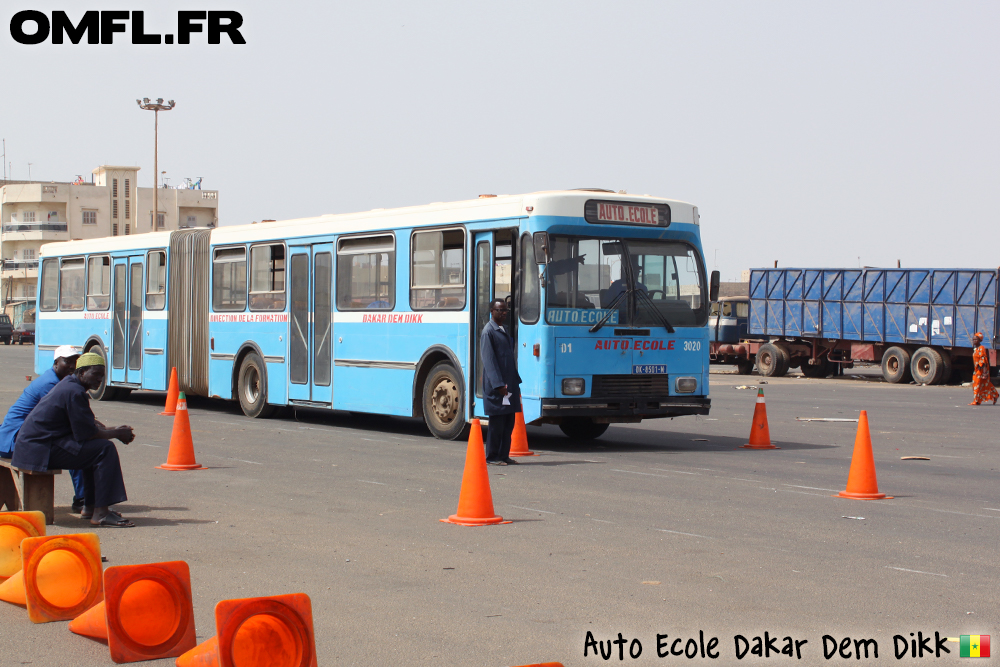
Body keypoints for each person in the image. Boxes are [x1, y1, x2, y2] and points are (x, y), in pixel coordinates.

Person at [13, 352, 136, 527]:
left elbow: (87, 423)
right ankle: (100, 513)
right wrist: (117, 434)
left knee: (94, 449)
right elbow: (87, 433)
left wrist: (114, 430)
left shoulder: (70, 385)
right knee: (104, 449)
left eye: (102, 375)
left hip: (38, 446)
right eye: (95, 374)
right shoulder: (73, 391)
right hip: (38, 450)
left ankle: (90, 507)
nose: (99, 379)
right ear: (81, 372)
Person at [0, 345, 87, 511]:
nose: (71, 366)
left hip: (18, 436)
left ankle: (83, 496)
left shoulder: (58, 381)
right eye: (67, 361)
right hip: (14, 439)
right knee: (75, 449)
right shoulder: (51, 385)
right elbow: (67, 419)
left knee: (75, 445)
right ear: (56, 363)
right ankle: (82, 498)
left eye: (75, 361)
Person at [480, 298, 522, 465]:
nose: (503, 313)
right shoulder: (488, 332)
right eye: (500, 310)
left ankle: (504, 455)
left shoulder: (503, 330)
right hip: (498, 388)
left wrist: (514, 382)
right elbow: (489, 361)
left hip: (509, 385)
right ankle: (492, 457)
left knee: (508, 423)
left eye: (505, 310)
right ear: (492, 311)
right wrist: (499, 385)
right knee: (496, 425)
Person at [969, 332, 998, 406]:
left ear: (980, 340)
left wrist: (985, 373)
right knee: (984, 383)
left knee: (977, 384)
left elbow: (983, 361)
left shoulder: (981, 349)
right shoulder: (976, 349)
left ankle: (976, 401)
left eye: (976, 339)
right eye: (973, 339)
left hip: (981, 370)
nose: (974, 341)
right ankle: (995, 394)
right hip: (977, 369)